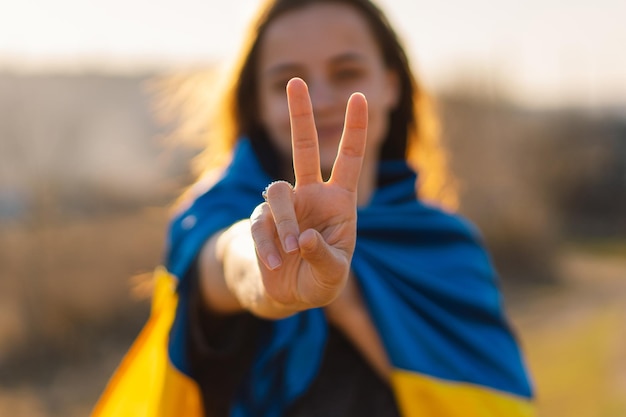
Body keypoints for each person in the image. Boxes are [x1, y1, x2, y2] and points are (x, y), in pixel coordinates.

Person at [93, 0, 534, 416]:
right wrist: (270, 267)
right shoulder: (212, 215)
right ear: (258, 106)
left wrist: (353, 304)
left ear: (391, 85)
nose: (320, 100)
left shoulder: (446, 249)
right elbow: (226, 260)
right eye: (288, 83)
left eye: (346, 72)